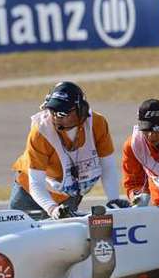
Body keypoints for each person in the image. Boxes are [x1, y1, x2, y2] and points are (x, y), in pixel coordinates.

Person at [10, 82, 128, 219]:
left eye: (63, 113)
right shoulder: (40, 133)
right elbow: (35, 182)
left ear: (81, 109)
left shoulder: (97, 124)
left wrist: (113, 199)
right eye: (52, 111)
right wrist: (52, 208)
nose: (56, 117)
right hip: (29, 193)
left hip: (68, 193)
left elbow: (107, 166)